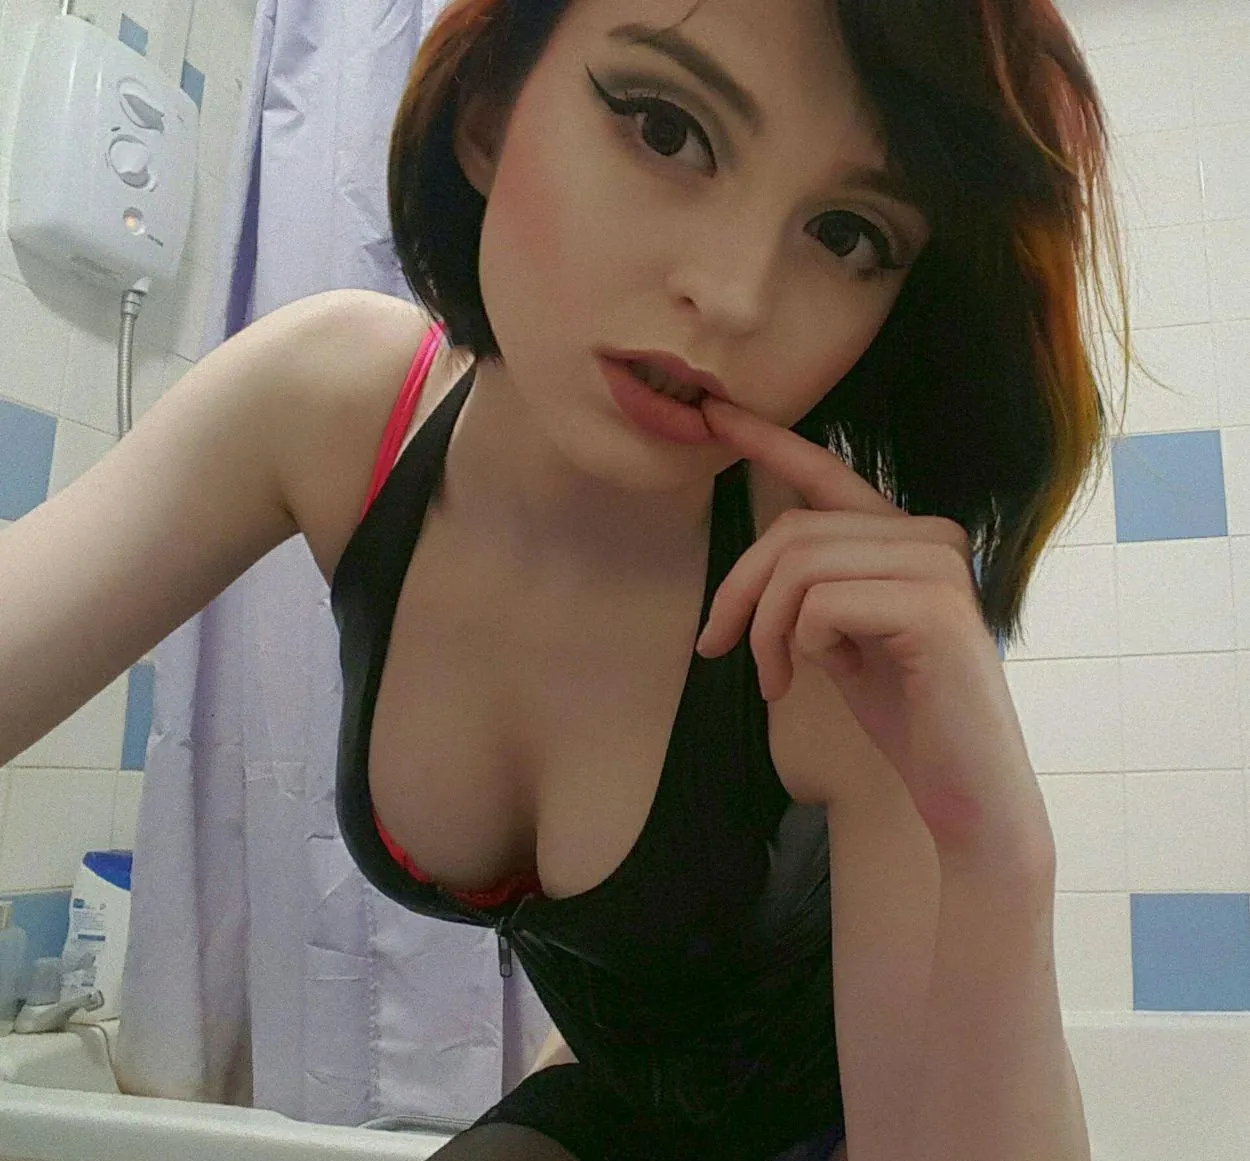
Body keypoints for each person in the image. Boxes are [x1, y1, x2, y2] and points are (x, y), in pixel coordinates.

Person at [0, 0, 1129, 1156]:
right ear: (487, 113)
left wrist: (999, 853)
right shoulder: (334, 408)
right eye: (665, 127)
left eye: (846, 234)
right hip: (610, 1107)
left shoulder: (825, 631)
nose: (733, 294)